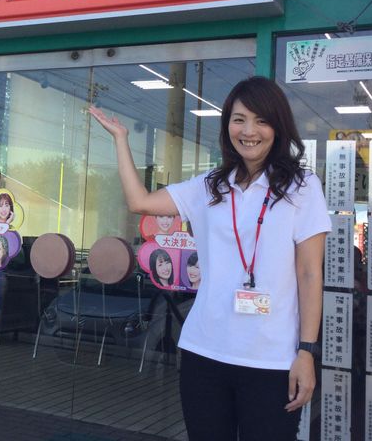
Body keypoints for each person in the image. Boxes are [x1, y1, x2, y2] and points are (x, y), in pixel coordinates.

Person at [88, 76, 330, 441]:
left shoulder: (301, 187)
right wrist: (121, 140)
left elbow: (310, 273)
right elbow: (140, 201)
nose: (249, 131)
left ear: (278, 127)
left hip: (272, 359)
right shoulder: (210, 186)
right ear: (227, 125)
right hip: (205, 352)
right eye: (239, 119)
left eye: (261, 121)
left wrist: (307, 353)